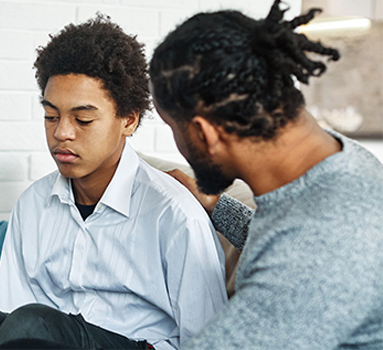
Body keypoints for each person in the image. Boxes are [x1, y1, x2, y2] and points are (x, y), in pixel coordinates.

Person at [0, 15, 228, 350]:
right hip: (37, 339)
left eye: (83, 119)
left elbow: (210, 339)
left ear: (129, 120)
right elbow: (6, 315)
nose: (62, 133)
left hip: (135, 344)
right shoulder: (34, 204)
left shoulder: (174, 214)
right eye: (51, 116)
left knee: (33, 323)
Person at [149, 0, 383, 349]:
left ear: (204, 134)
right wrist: (216, 206)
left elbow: (306, 256)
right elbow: (285, 239)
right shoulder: (336, 160)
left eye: (172, 127)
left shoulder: (321, 247)